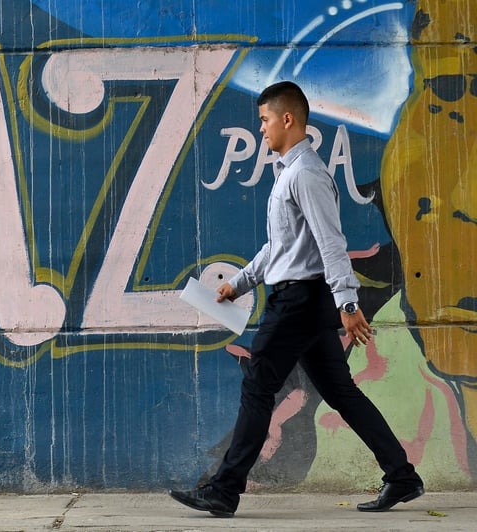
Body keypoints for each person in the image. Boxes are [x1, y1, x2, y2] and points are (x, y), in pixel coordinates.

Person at [169, 81, 424, 518]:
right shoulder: (290, 173)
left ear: (287, 119)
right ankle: (401, 475)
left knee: (258, 386)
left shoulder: (306, 174)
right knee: (341, 392)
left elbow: (331, 242)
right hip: (303, 300)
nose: (261, 128)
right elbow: (279, 246)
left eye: (265, 119)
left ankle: (224, 490)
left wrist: (348, 304)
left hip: (299, 301)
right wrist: (240, 283)